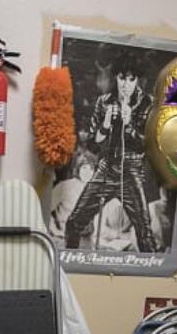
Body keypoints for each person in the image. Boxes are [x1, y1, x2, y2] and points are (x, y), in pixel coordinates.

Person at [64, 53, 158, 253]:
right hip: (107, 168)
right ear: (116, 77)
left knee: (145, 234)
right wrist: (105, 125)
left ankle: (150, 278)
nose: (125, 84)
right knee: (73, 222)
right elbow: (93, 143)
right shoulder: (104, 101)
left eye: (131, 79)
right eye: (122, 78)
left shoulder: (147, 104)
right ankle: (67, 266)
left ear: (138, 80)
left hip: (132, 171)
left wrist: (130, 123)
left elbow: (148, 145)